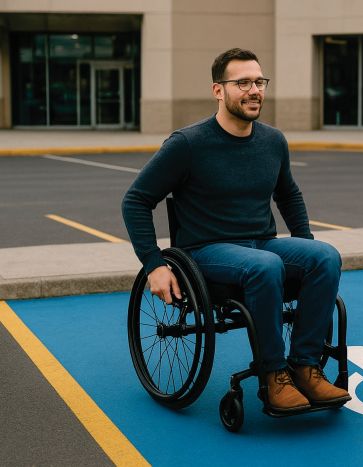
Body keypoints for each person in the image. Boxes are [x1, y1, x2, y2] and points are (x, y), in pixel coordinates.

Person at [122, 48, 350, 414]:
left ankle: (305, 367)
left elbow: (288, 194)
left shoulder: (273, 140)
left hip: (260, 244)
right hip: (206, 251)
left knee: (325, 257)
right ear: (218, 90)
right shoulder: (187, 144)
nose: (254, 90)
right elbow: (135, 200)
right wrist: (154, 265)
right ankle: (272, 375)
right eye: (242, 82)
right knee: (264, 266)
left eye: (259, 81)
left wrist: (305, 244)